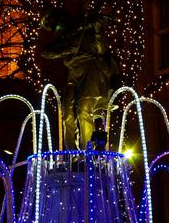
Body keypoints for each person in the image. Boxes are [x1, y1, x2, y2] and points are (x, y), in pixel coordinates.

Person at [41, 10, 119, 150]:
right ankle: (71, 154)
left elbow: (102, 50)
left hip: (91, 72)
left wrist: (98, 31)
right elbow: (46, 52)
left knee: (84, 110)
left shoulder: (86, 31)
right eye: (53, 29)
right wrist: (64, 50)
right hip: (73, 75)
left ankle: (86, 152)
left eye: (56, 26)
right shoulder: (65, 38)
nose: (56, 30)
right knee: (67, 113)